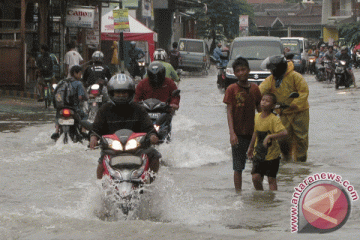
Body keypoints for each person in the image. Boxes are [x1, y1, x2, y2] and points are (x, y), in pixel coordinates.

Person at [89, 74, 161, 179]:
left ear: (130, 93)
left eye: (124, 92)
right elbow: (96, 129)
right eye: (118, 93)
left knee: (155, 156)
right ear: (111, 93)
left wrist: (152, 136)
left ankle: (150, 181)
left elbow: (149, 128)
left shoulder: (138, 109)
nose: (121, 95)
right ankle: (101, 188)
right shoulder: (104, 110)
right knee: (101, 164)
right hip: (112, 148)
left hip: (136, 147)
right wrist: (93, 138)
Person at [259, 55, 309, 163]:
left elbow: (303, 92)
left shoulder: (295, 76)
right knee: (283, 139)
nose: (271, 72)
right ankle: (286, 161)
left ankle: (301, 161)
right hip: (283, 112)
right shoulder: (271, 80)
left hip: (300, 112)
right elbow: (260, 90)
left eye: (273, 69)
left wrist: (294, 104)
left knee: (301, 138)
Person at [223, 57, 262, 192]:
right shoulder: (231, 89)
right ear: (234, 73)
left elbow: (261, 112)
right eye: (238, 71)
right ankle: (238, 195)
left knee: (258, 167)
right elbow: (229, 112)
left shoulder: (255, 89)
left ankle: (260, 194)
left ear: (249, 70)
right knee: (238, 167)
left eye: (243, 69)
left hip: (254, 135)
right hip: (238, 134)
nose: (241, 73)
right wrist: (232, 133)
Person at [247, 93, 288, 191]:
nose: (264, 102)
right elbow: (255, 133)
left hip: (272, 156)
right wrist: (251, 147)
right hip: (258, 153)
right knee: (255, 178)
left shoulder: (274, 119)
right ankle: (261, 197)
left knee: (271, 180)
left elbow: (284, 132)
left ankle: (272, 201)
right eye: (262, 100)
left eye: (267, 101)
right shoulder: (256, 117)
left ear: (273, 106)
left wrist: (270, 136)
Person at [51, 65, 87, 140]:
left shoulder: (62, 82)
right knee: (84, 115)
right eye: (80, 73)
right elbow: (80, 97)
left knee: (58, 114)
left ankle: (57, 131)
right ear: (75, 73)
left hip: (62, 107)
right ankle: (83, 131)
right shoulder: (79, 83)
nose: (81, 76)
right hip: (74, 108)